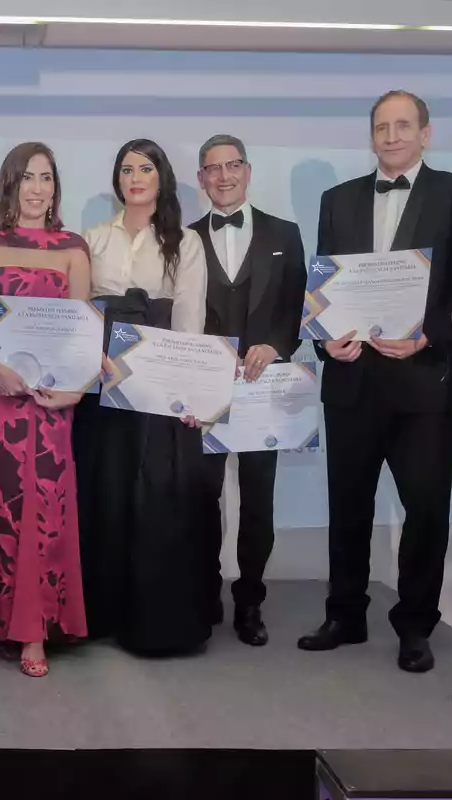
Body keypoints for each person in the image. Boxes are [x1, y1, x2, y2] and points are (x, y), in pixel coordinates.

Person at [297, 91, 452, 674]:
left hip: (424, 381)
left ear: (426, 133)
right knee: (348, 505)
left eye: (403, 125)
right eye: (382, 126)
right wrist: (324, 339)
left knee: (425, 509)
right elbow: (325, 284)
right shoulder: (337, 200)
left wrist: (430, 335)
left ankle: (415, 625)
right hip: (352, 380)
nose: (392, 135)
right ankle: (345, 615)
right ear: (371, 135)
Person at [0, 142, 91, 677]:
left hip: (50, 399)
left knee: (45, 507)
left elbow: (81, 330)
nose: (37, 188)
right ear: (10, 183)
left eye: (46, 178)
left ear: (55, 188)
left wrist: (77, 389)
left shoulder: (73, 247)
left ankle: (34, 630)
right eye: (28, 177)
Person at [77, 139, 211, 655]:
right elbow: (79, 313)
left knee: (153, 497)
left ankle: (153, 624)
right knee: (104, 491)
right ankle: (99, 615)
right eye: (127, 169)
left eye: (145, 168)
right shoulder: (91, 239)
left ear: (162, 178)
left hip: (158, 389)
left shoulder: (186, 242)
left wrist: (188, 392)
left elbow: (190, 321)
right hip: (101, 385)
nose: (135, 177)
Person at [189, 134, 306, 647]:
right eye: (213, 168)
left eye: (232, 165)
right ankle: (205, 589)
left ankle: (251, 600)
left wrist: (276, 345)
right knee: (203, 496)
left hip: (265, 388)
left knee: (259, 500)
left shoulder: (286, 233)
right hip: (204, 388)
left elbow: (297, 305)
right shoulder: (186, 238)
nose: (224, 176)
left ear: (248, 170)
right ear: (201, 178)